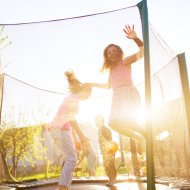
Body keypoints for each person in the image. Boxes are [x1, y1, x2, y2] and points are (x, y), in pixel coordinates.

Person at [88, 24, 145, 142]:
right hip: (117, 96)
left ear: (119, 53)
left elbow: (142, 52)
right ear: (107, 57)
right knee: (113, 123)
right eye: (108, 52)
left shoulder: (125, 62)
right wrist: (93, 84)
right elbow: (108, 86)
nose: (111, 53)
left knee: (127, 121)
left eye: (114, 50)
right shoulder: (111, 71)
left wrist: (135, 38)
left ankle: (146, 134)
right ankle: (139, 136)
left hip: (128, 93)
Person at [48, 70, 92, 190]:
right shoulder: (74, 99)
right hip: (60, 129)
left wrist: (76, 138)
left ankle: (64, 187)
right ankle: (63, 188)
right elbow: (72, 120)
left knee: (70, 158)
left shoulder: (72, 98)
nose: (88, 98)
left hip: (59, 129)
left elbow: (69, 121)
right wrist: (82, 137)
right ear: (84, 91)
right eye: (89, 94)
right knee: (71, 159)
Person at [95, 114, 117, 186]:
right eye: (95, 121)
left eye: (97, 120)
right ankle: (110, 178)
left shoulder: (105, 129)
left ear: (101, 121)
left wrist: (110, 151)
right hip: (104, 151)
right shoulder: (99, 130)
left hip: (109, 150)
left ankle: (113, 179)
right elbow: (101, 142)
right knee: (106, 165)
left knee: (110, 164)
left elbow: (110, 140)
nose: (96, 122)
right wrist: (102, 151)